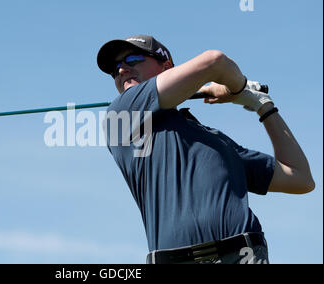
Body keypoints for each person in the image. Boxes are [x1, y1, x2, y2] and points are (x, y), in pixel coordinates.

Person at [97, 35, 315, 264]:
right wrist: (237, 87)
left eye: (132, 59)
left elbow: (300, 178)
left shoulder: (215, 140)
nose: (121, 70)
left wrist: (263, 105)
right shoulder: (120, 115)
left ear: (167, 66)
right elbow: (214, 61)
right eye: (115, 69)